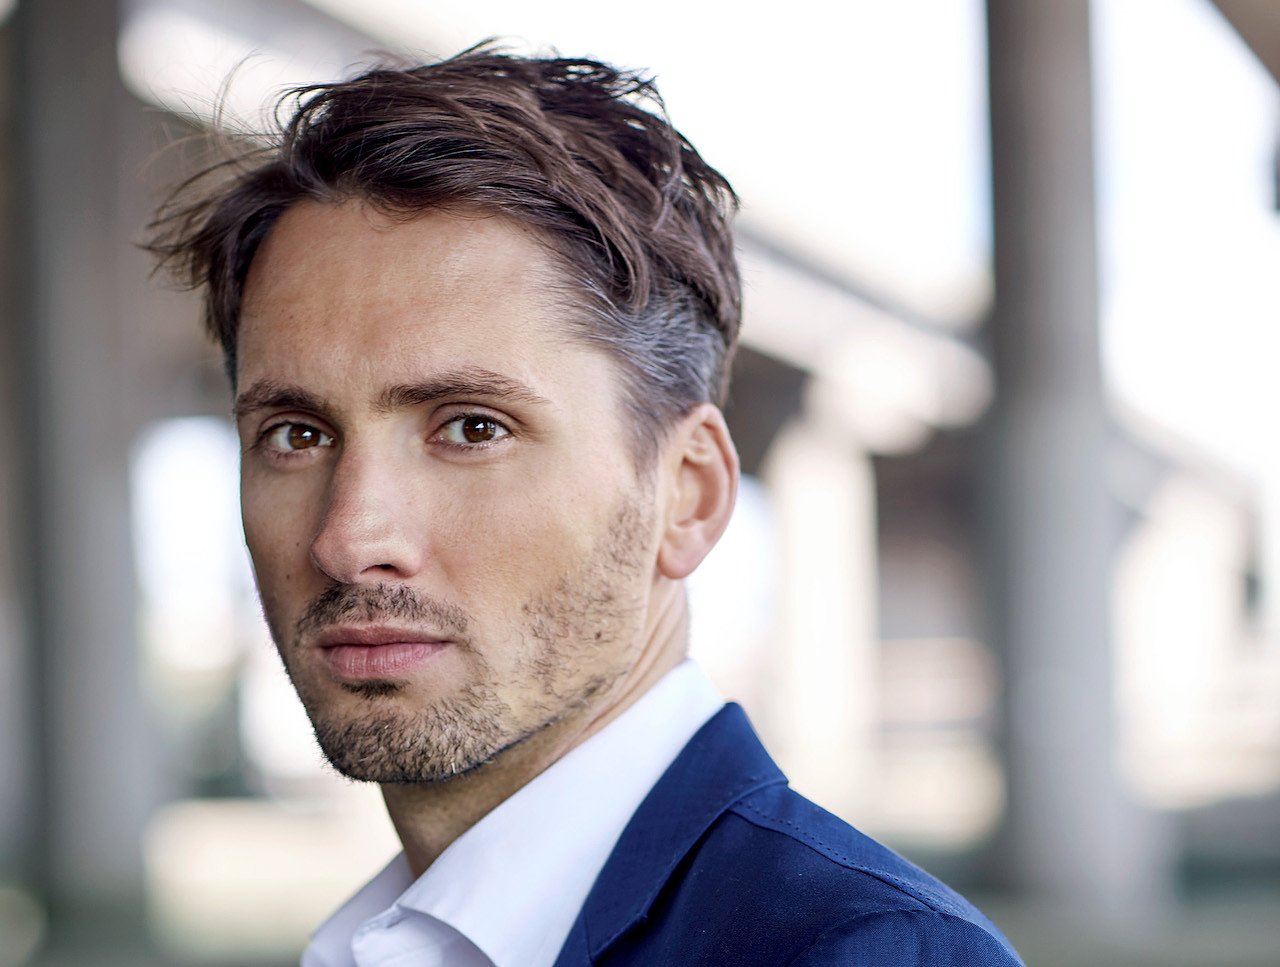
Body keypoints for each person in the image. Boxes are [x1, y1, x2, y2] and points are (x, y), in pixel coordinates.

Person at [148, 43, 1022, 967]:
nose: (349, 536)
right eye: (296, 435)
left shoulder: (873, 952)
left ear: (688, 493)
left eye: (472, 428)